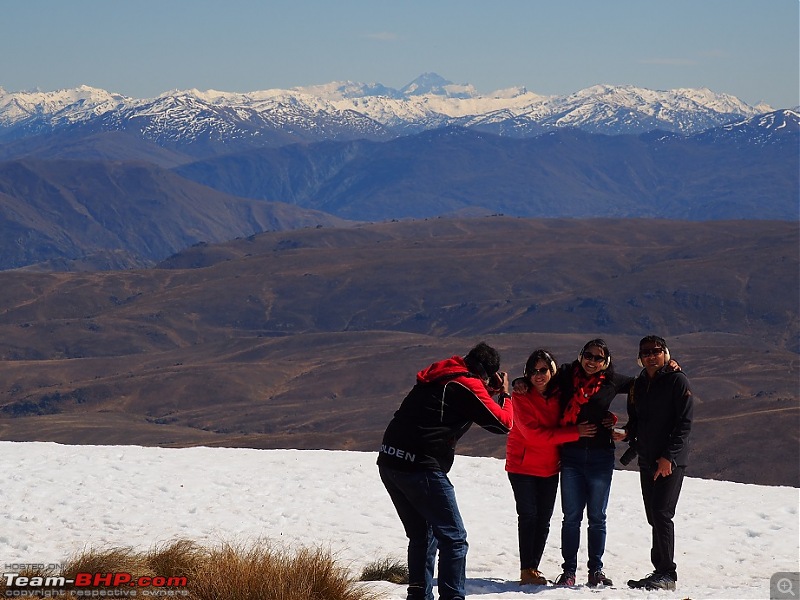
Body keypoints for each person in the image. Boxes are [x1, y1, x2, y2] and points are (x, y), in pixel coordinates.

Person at [377, 341, 514, 600]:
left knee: (422, 535)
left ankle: (418, 596)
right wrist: (505, 395)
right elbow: (503, 424)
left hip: (390, 462)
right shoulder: (466, 384)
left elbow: (465, 404)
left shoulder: (441, 375)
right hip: (421, 466)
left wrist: (487, 389)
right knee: (454, 539)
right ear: (488, 373)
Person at [505, 349, 597, 586]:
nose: (538, 375)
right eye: (533, 371)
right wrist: (575, 433)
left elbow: (586, 387)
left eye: (543, 370)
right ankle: (527, 569)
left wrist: (607, 419)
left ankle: (532, 568)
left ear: (552, 371)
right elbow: (533, 436)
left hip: (549, 466)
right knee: (528, 516)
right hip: (522, 465)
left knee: (543, 518)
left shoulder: (560, 393)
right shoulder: (520, 397)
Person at [552, 339, 633, 588]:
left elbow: (646, 385)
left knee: (597, 516)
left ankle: (595, 570)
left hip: (600, 457)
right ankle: (568, 571)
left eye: (598, 358)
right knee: (571, 516)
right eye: (588, 355)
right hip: (572, 456)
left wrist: (626, 427)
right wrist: (520, 383)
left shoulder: (612, 381)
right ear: (580, 355)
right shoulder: (566, 375)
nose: (592, 361)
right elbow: (541, 377)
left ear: (606, 361)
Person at [614, 335, 693, 592]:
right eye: (646, 352)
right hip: (648, 459)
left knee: (661, 513)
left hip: (669, 461)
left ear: (665, 352)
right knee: (653, 516)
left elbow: (684, 423)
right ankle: (659, 570)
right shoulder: (639, 384)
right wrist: (626, 433)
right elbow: (637, 420)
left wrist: (669, 457)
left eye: (655, 351)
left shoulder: (676, 380)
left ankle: (667, 573)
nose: (650, 356)